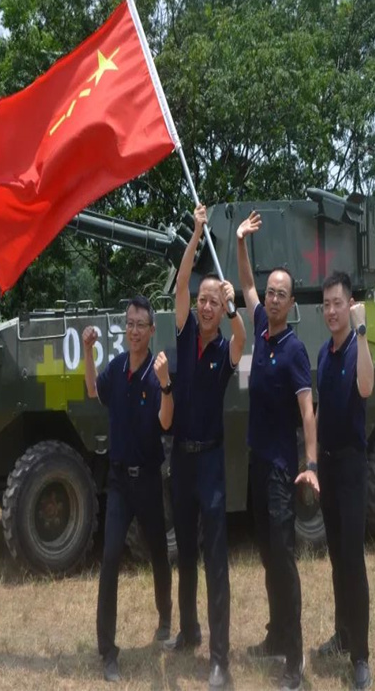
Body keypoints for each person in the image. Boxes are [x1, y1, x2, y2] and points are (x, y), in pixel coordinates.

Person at [236, 210, 319, 691]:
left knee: (284, 560)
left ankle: (294, 657)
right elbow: (244, 284)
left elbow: (308, 410)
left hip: (282, 470)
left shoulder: (293, 349)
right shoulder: (262, 329)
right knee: (267, 554)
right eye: (270, 292)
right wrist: (243, 244)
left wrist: (310, 463)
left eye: (280, 294)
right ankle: (274, 635)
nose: (270, 298)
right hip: (255, 462)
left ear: (291, 303)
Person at [164, 204, 246, 689]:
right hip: (182, 460)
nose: (206, 306)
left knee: (216, 558)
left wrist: (235, 304)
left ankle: (220, 658)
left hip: (212, 461)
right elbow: (180, 284)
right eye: (204, 301)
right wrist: (196, 233)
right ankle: (189, 628)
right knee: (187, 553)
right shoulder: (186, 331)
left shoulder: (225, 347)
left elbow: (242, 335)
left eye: (214, 301)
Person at [83, 295, 174, 684]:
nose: (134, 330)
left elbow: (167, 424)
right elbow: (93, 391)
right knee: (109, 560)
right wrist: (88, 352)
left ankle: (166, 617)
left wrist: (167, 387)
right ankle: (108, 651)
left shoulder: (157, 373)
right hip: (119, 481)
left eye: (141, 325)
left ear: (152, 330)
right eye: (130, 323)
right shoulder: (117, 368)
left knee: (158, 552)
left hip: (149, 478)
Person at [298, 271, 374, 691]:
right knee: (336, 560)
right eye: (326, 303)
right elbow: (323, 410)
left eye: (338, 303)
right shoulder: (325, 354)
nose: (330, 310)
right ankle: (342, 634)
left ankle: (360, 656)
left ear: (350, 305)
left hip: (352, 467)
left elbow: (365, 386)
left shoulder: (356, 347)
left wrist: (361, 331)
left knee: (353, 560)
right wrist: (313, 461)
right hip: (327, 465)